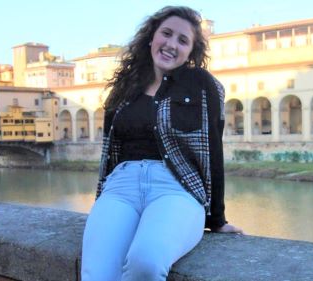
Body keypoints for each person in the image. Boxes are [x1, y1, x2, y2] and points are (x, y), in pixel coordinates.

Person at [81, 6, 243, 281]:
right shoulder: (124, 87)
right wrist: (102, 203)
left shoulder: (203, 85)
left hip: (176, 189)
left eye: (182, 40)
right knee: (96, 273)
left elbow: (214, 149)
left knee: (146, 263)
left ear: (191, 52)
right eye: (166, 34)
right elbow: (109, 152)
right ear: (151, 37)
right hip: (120, 188)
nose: (171, 44)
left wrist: (217, 219)